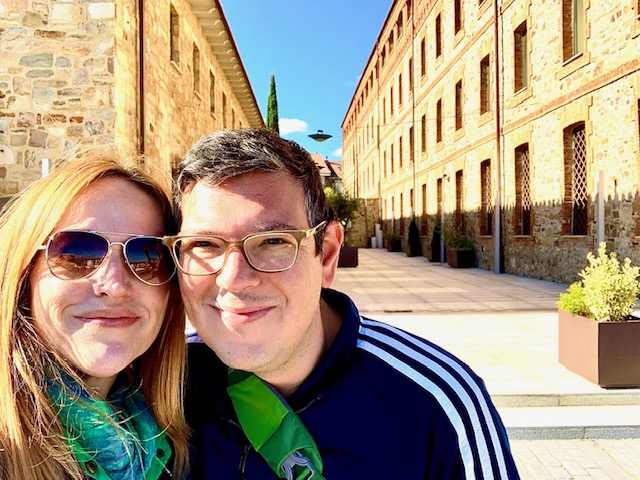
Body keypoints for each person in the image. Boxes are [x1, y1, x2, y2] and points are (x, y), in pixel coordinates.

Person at [173, 128, 520, 479]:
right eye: (204, 244)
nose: (233, 278)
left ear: (327, 253)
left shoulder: (434, 403)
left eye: (273, 241)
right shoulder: (164, 387)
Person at [0, 146, 189, 479]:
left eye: (147, 257)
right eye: (76, 254)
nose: (114, 285)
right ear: (24, 275)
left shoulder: (172, 444)